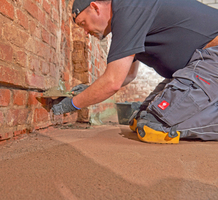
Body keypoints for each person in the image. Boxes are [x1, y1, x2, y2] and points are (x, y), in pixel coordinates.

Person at [51, 0, 218, 144]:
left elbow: (113, 82)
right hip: (196, 65)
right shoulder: (129, 18)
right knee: (138, 121)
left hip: (211, 58)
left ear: (95, 7)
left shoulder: (128, 8)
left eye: (83, 23)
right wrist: (88, 90)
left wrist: (71, 104)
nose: (86, 32)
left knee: (153, 126)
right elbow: (128, 75)